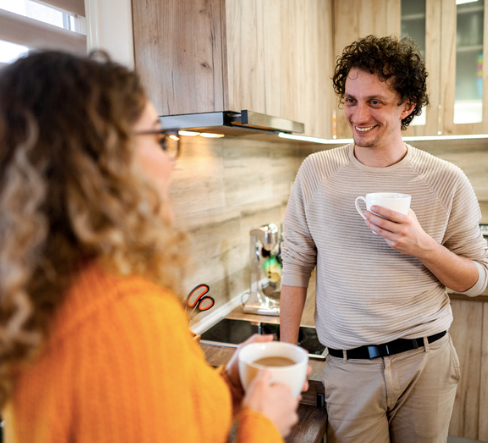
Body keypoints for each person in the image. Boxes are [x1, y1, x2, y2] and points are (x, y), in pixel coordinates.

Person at [0, 50, 303, 443]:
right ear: (105, 159)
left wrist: (228, 383)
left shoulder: (47, 293)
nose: (171, 161)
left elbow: (152, 416)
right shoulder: (127, 316)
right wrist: (262, 424)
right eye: (160, 139)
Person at [280, 35, 488, 443]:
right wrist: (287, 354)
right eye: (351, 99)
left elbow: (480, 279)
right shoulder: (315, 172)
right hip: (347, 369)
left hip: (425, 363)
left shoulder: (446, 181)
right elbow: (296, 262)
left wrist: (421, 245)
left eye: (375, 101)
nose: (359, 114)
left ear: (407, 106)